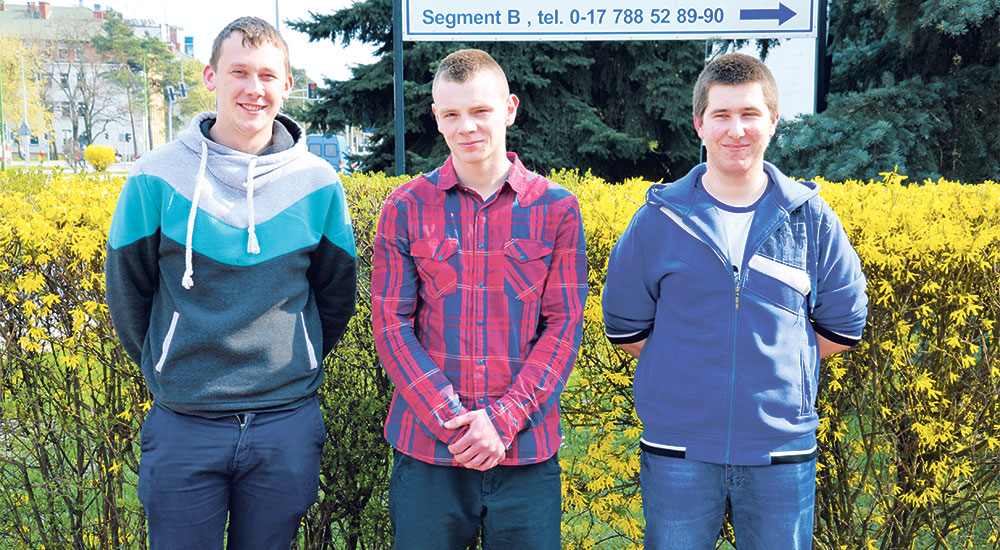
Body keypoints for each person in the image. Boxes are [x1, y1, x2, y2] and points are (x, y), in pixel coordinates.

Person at [104, 16, 356, 549]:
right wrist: (169, 364)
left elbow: (335, 296)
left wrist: (298, 356)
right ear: (210, 77)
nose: (253, 88)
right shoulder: (154, 176)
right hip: (185, 423)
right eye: (238, 71)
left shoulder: (318, 182)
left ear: (287, 86)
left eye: (267, 75)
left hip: (285, 423)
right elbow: (128, 294)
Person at [602, 53, 869, 549]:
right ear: (699, 124)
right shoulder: (658, 220)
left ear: (773, 121)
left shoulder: (811, 220)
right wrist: (679, 362)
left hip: (780, 452)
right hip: (678, 450)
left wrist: (783, 363)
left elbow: (843, 325)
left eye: (749, 114)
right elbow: (625, 327)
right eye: (722, 115)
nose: (736, 130)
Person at [370, 48, 588, 549]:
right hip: (428, 451)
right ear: (436, 118)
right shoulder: (405, 207)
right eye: (451, 114)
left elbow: (563, 327)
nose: (466, 126)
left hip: (525, 452)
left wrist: (503, 419)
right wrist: (453, 421)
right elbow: (391, 325)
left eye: (480, 110)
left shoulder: (556, 209)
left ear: (509, 109)